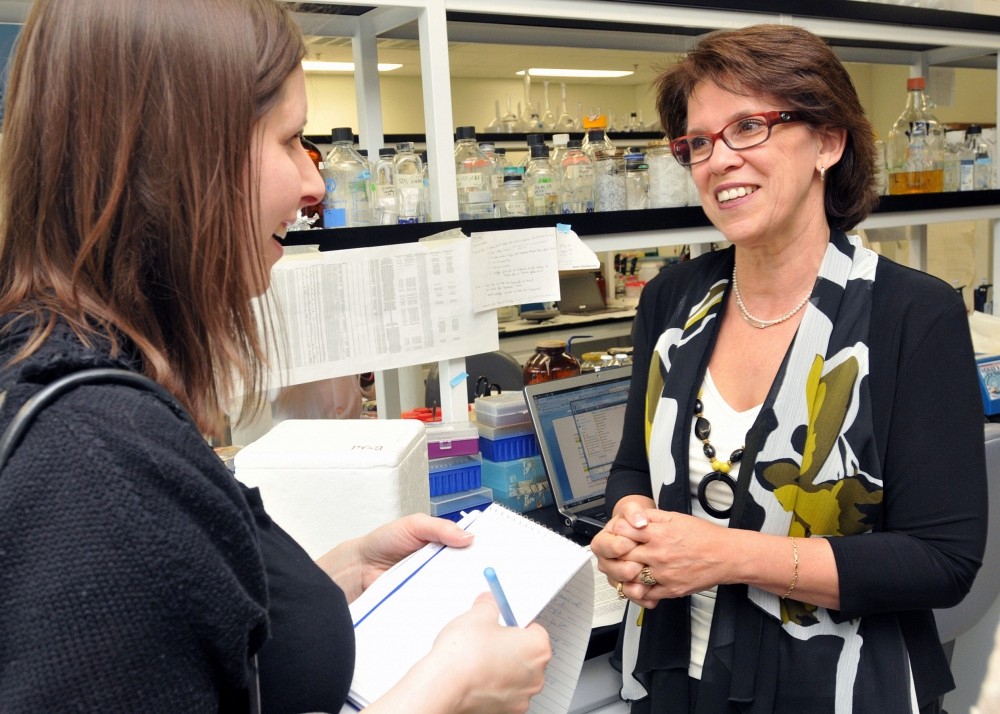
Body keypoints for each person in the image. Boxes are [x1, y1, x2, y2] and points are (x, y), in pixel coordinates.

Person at [0, 1, 550, 712]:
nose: (314, 186)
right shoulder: (94, 458)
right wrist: (449, 689)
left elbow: (171, 633)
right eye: (290, 141)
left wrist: (330, 579)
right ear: (179, 150)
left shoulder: (90, 390)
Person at [590, 24, 987, 714]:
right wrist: (631, 527)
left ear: (828, 143)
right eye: (700, 143)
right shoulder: (672, 301)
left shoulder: (910, 315)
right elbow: (633, 468)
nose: (719, 160)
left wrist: (727, 554)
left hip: (839, 683)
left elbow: (940, 561)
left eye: (749, 127)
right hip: (672, 673)